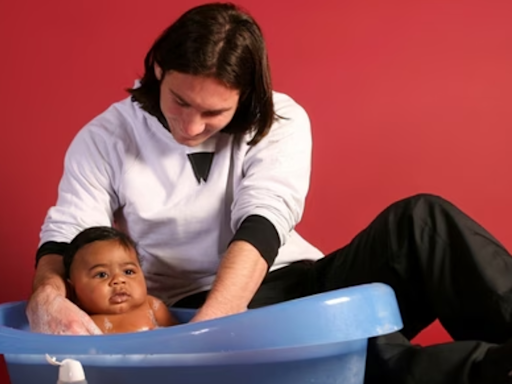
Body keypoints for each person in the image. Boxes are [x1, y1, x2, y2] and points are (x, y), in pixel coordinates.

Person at [25, 2, 512, 383]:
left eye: (213, 113)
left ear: (246, 98)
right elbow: (69, 233)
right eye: (180, 100)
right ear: (158, 70)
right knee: (353, 350)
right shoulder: (105, 137)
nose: (191, 125)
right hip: (196, 305)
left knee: (420, 221)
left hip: (289, 278)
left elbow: (262, 223)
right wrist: (47, 297)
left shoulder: (281, 119)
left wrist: (210, 335)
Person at [64, 226, 178, 334]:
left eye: (128, 272)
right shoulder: (77, 321)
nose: (119, 280)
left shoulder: (153, 307)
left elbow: (177, 338)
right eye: (102, 274)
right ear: (73, 289)